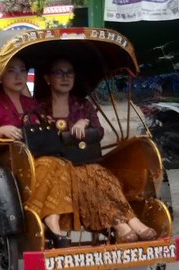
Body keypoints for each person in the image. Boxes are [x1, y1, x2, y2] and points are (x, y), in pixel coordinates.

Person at [25, 57, 157, 247]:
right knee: (86, 176)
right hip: (55, 167)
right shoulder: (39, 108)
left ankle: (132, 222)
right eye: (59, 73)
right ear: (47, 78)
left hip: (84, 159)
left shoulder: (82, 105)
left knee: (101, 175)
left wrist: (83, 123)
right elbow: (38, 139)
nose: (65, 77)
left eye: (69, 72)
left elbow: (99, 131)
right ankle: (120, 224)